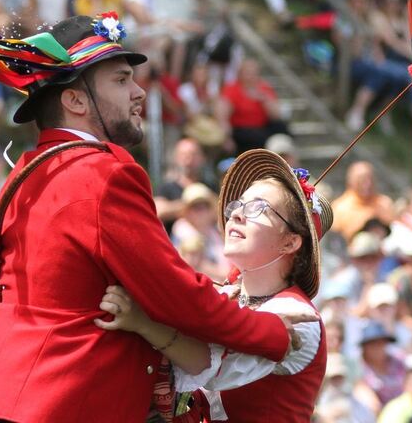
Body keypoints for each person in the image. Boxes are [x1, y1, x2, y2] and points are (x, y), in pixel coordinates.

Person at [0, 13, 297, 421]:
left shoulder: (27, 168)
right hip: (65, 399)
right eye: (120, 79)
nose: (139, 92)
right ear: (74, 99)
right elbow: (173, 294)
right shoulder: (106, 171)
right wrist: (271, 334)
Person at [97, 146, 328, 422]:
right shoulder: (226, 295)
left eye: (258, 208)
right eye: (238, 205)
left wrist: (144, 323)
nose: (238, 215)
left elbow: (209, 367)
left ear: (290, 242)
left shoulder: (300, 318)